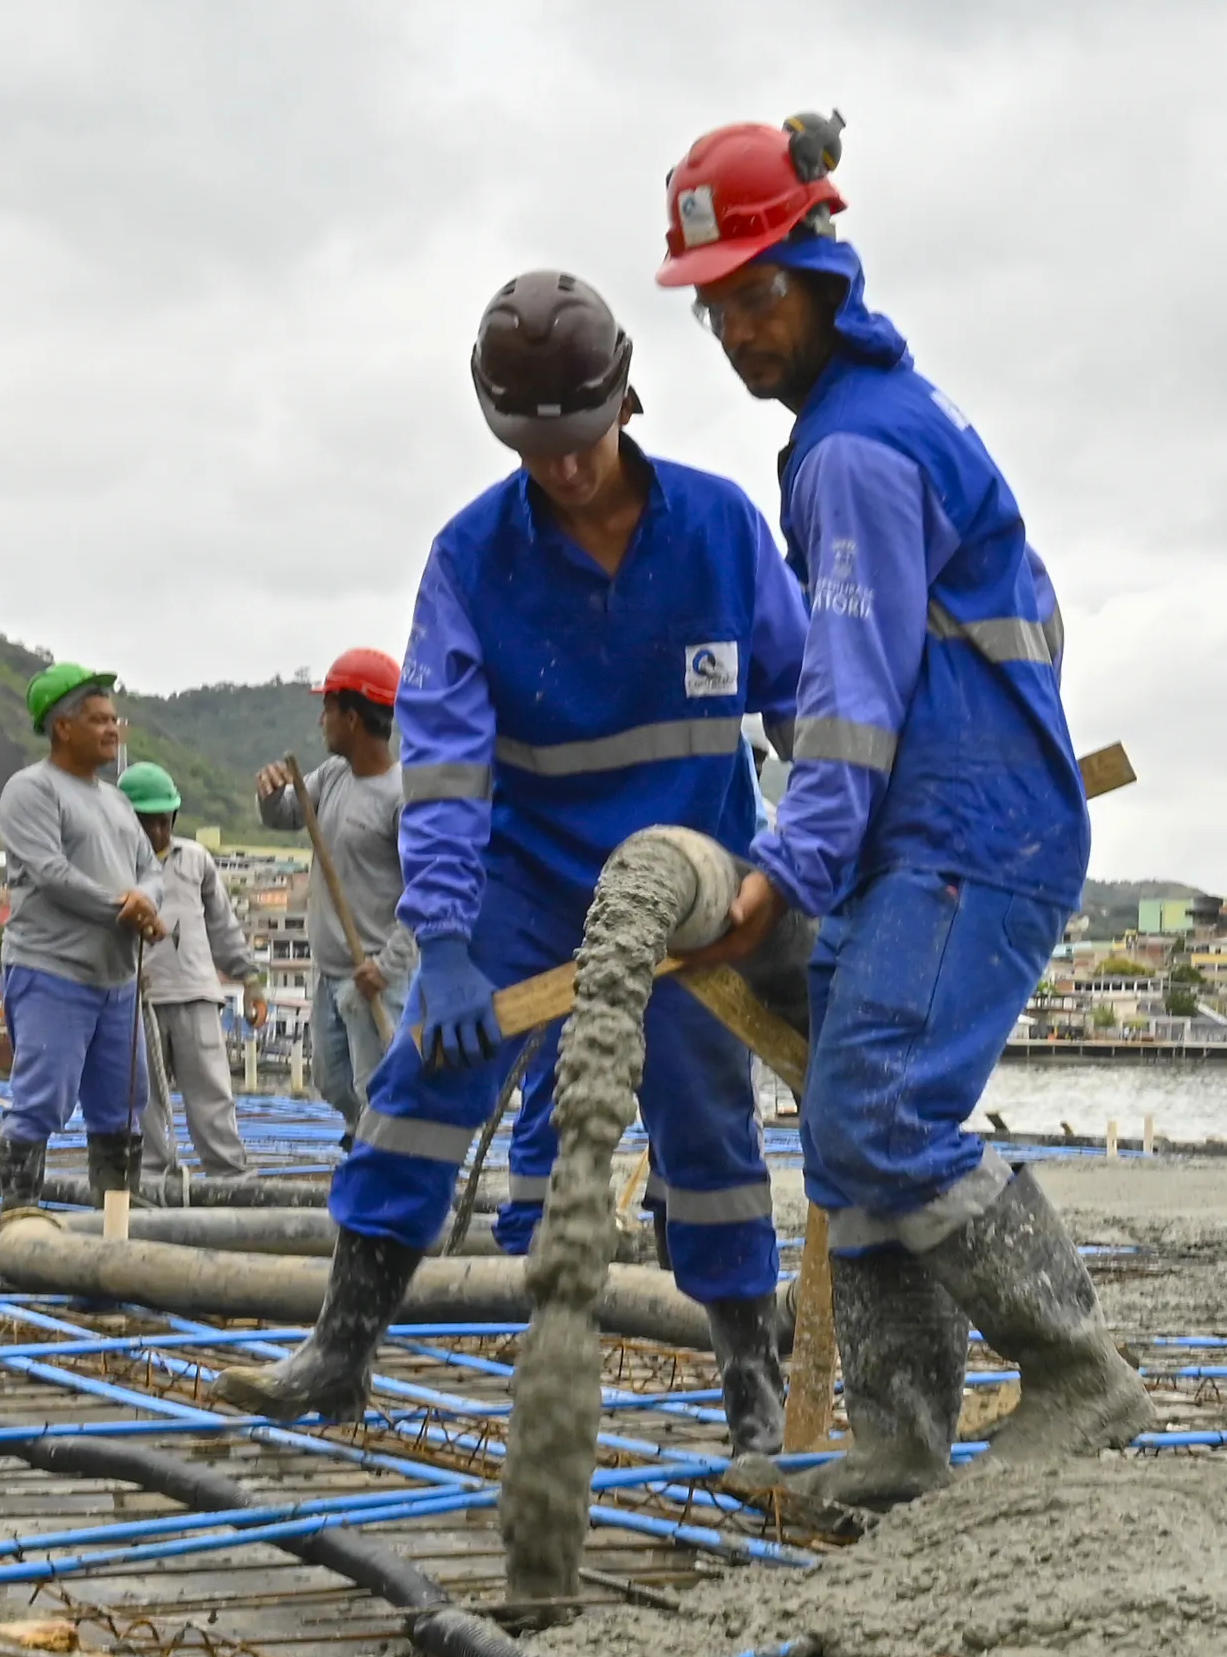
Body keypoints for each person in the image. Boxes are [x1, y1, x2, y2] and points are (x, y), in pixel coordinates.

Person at [221, 270, 803, 1479]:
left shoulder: (720, 531)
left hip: (688, 883)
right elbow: (443, 762)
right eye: (536, 451)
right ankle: (342, 1345)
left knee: (706, 1126)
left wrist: (808, 865)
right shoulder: (473, 560)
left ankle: (751, 1387)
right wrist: (441, 940)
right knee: (419, 1088)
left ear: (624, 404)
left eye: (581, 443)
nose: (564, 471)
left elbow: (808, 706)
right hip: (526, 883)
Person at [655, 109, 1150, 1504]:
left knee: (875, 1109)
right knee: (851, 1124)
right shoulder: (877, 424)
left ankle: (1075, 1373)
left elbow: (855, 696)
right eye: (715, 310)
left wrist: (790, 868)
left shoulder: (856, 452)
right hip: (937, 827)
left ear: (823, 265)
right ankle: (896, 1448)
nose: (740, 332)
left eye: (755, 296)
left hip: (965, 834)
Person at [0, 661, 162, 1208]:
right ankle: (18, 1220)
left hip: (116, 981)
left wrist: (147, 898)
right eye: (99, 720)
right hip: (52, 971)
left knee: (123, 1106)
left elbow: (148, 868)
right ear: (63, 727)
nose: (113, 730)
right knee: (39, 1099)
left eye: (116, 719)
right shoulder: (32, 790)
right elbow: (51, 874)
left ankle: (115, 1233)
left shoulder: (115, 801)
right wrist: (125, 906)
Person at [255, 647, 413, 1126]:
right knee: (333, 1083)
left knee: (378, 1091)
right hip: (330, 974)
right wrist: (269, 793)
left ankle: (380, 1172)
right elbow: (285, 816)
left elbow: (426, 894)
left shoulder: (403, 797)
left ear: (352, 717)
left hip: (375, 977)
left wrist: (387, 967)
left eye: (327, 708)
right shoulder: (332, 776)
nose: (321, 718)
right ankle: (361, 1147)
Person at [121, 762, 262, 1182]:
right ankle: (152, 1179)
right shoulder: (113, 867)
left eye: (165, 823)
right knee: (143, 1098)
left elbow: (222, 925)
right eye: (149, 825)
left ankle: (228, 1175)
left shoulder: (195, 860)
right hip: (137, 1000)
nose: (159, 834)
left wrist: (249, 979)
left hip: (195, 994)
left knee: (211, 1093)